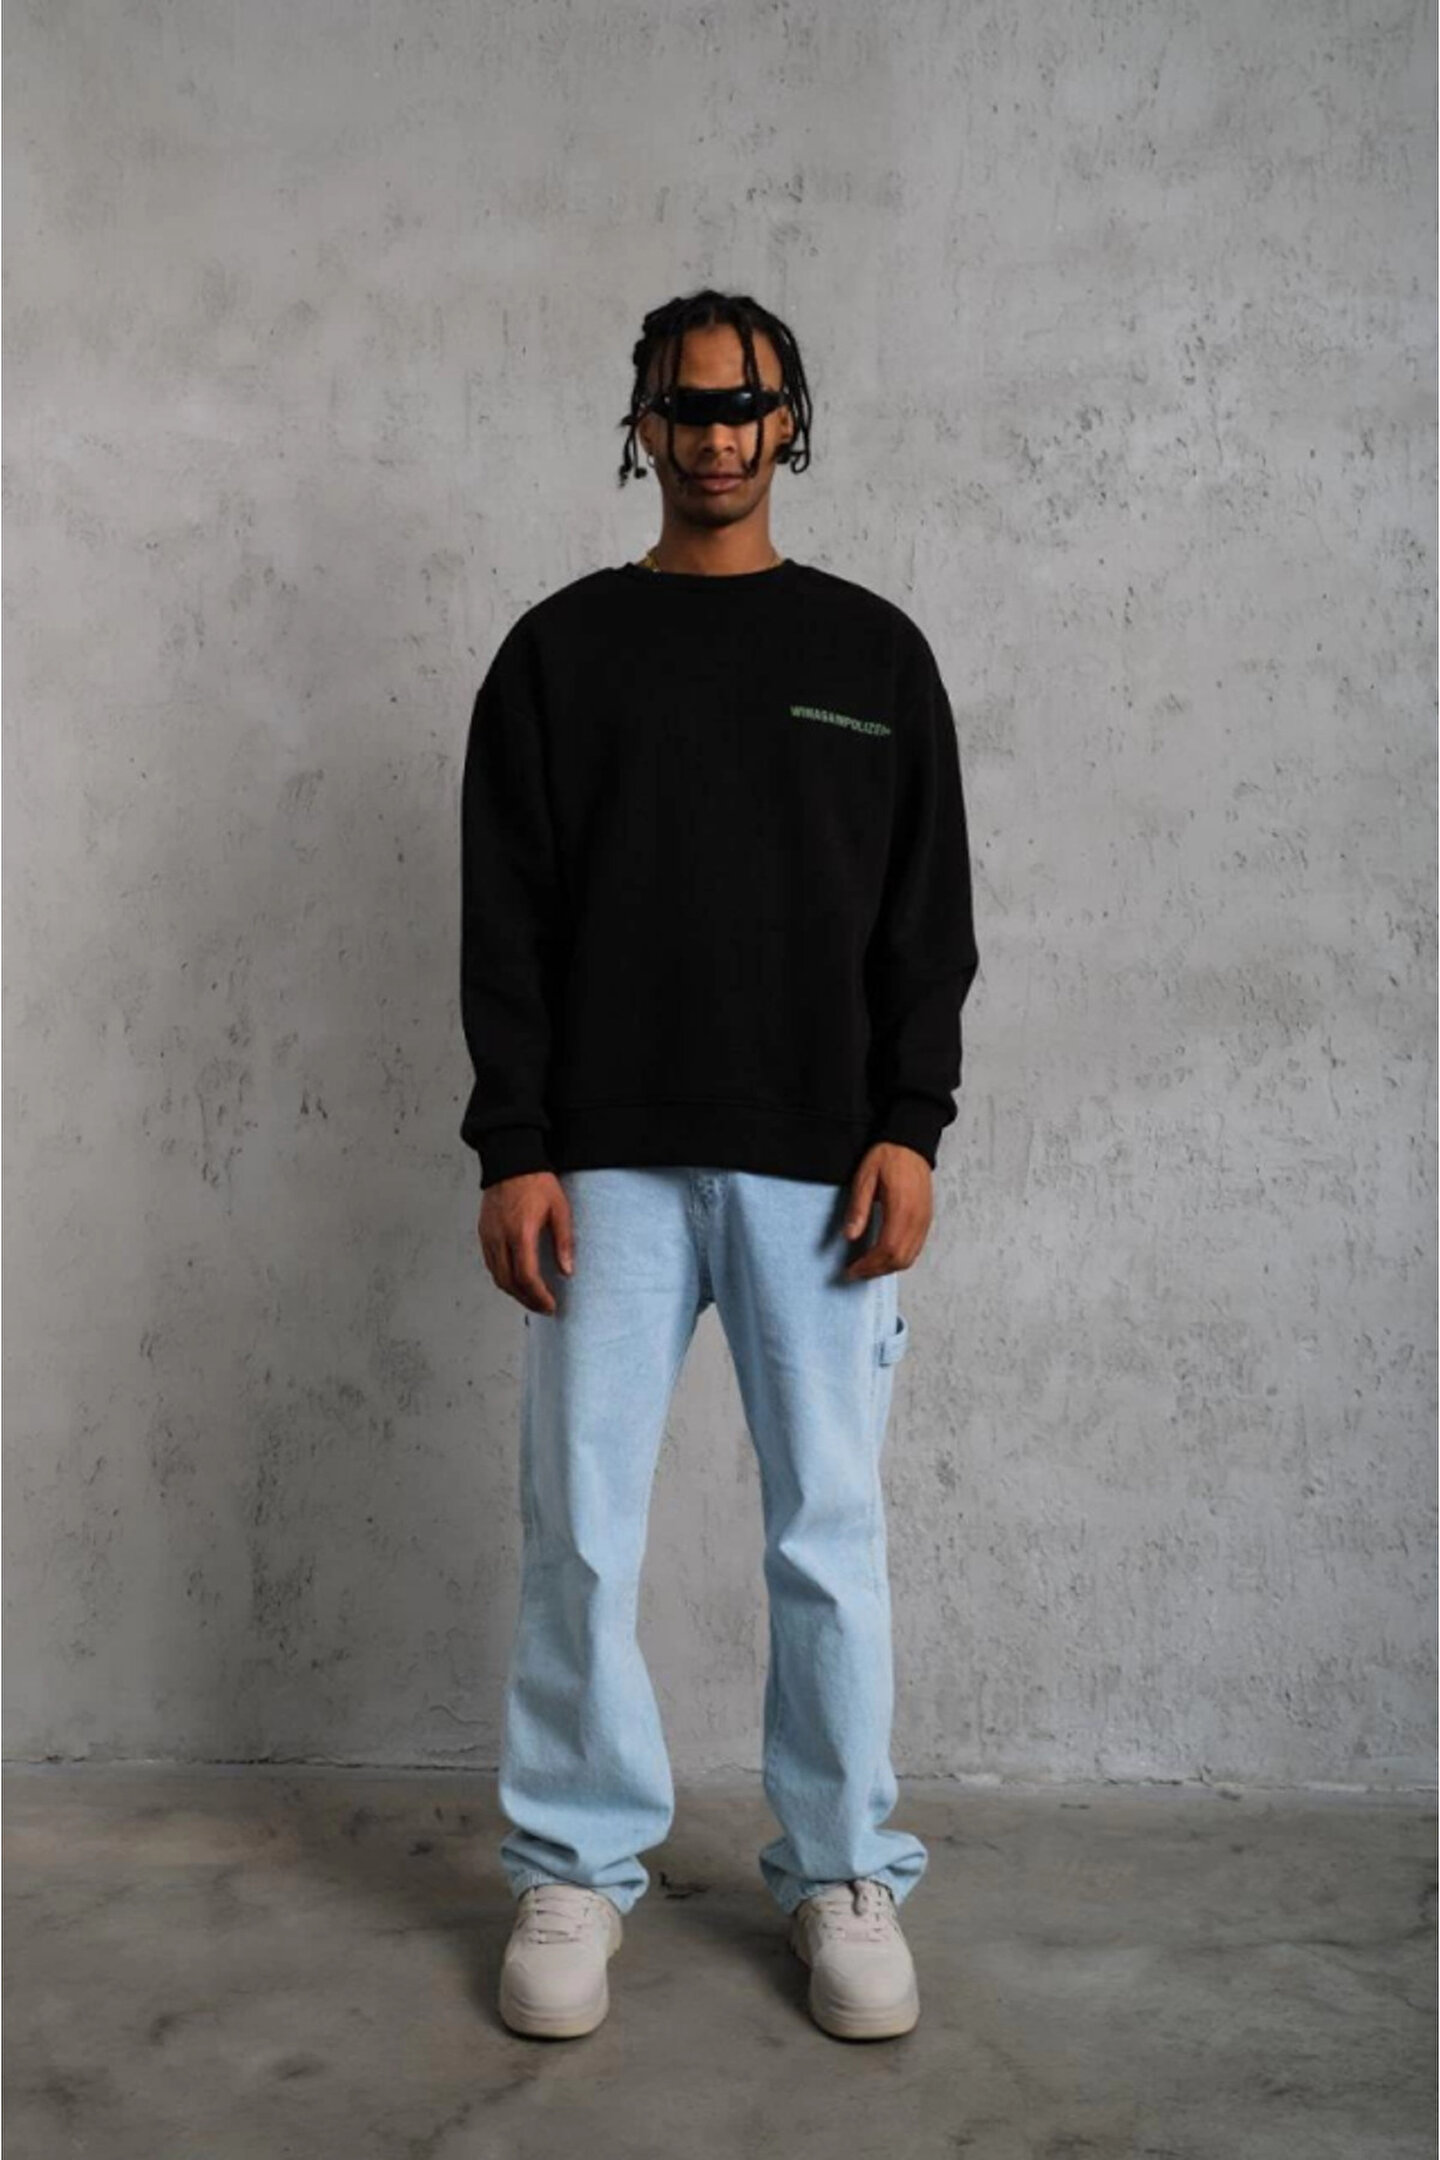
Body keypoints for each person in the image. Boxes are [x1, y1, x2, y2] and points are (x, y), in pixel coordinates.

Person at [459, 287, 979, 2041]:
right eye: (687, 406)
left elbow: (928, 922)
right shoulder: (558, 654)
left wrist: (911, 1125)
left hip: (820, 1165)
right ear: (643, 425)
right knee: (582, 1535)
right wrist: (515, 1146)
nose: (718, 434)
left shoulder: (872, 655)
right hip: (601, 1161)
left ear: (791, 421)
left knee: (827, 1535)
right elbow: (505, 924)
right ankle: (572, 1865)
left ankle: (842, 1871)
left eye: (747, 404)